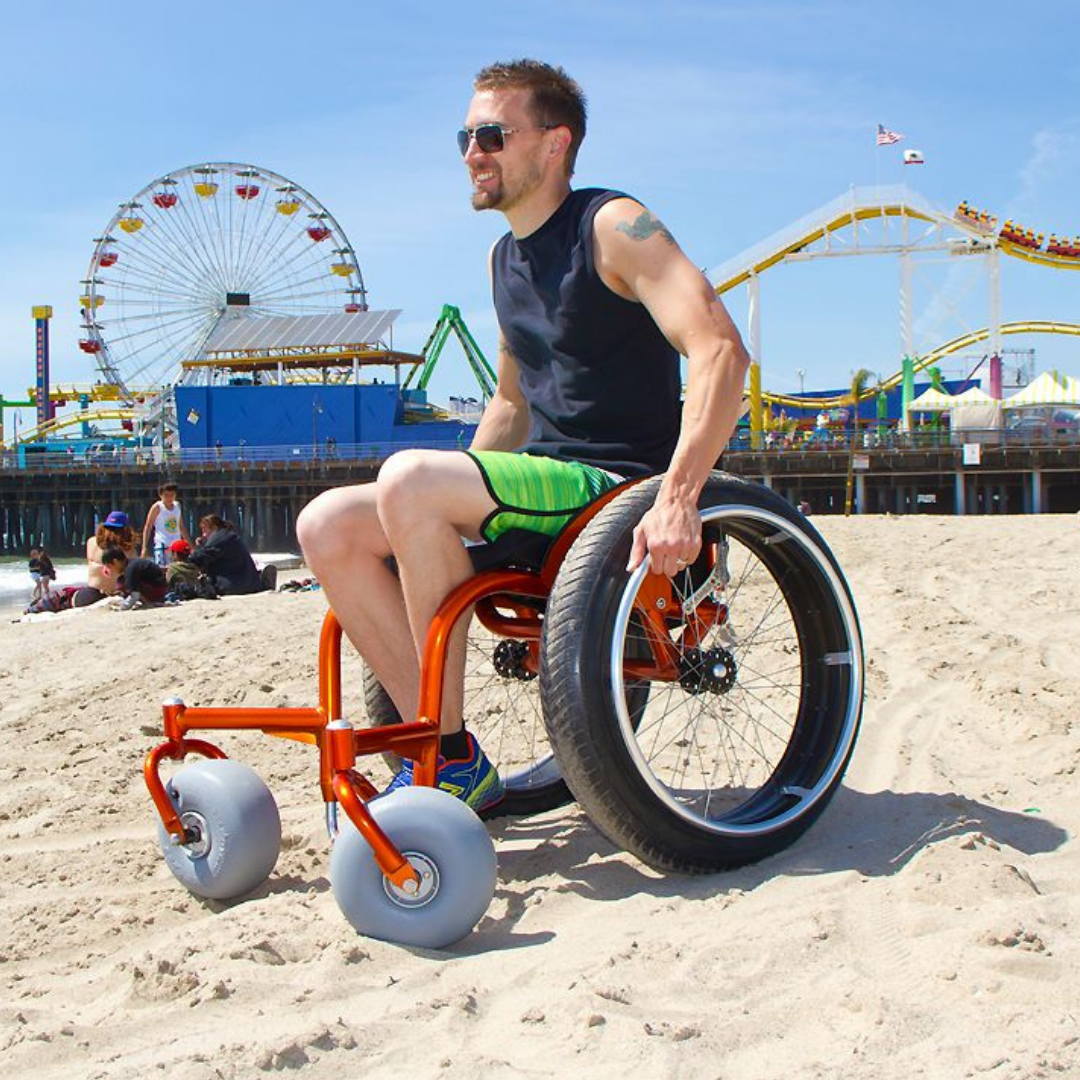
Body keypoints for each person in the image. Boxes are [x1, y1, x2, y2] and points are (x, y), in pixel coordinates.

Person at [296, 58, 750, 813]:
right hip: (541, 483)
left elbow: (720, 350)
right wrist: (431, 511)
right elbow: (510, 404)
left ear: (553, 144)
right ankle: (449, 750)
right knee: (329, 524)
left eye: (491, 135)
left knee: (410, 477)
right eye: (465, 137)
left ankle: (437, 760)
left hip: (616, 486)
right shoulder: (503, 258)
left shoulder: (612, 226)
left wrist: (679, 497)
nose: (472, 153)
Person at [74, 510, 139, 607]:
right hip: (115, 594)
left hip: (90, 594)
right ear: (125, 530)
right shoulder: (129, 551)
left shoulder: (91, 542)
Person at [188, 515, 264, 595]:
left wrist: (187, 557)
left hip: (234, 585)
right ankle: (261, 577)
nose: (203, 535)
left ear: (214, 527)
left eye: (205, 530)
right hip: (250, 582)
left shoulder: (220, 537)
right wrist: (202, 546)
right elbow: (211, 553)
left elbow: (201, 557)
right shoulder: (227, 535)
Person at [141, 482, 191, 565]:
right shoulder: (157, 507)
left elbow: (181, 526)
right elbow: (148, 526)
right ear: (161, 495)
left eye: (172, 495)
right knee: (162, 570)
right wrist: (144, 547)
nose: (169, 498)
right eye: (166, 495)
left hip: (176, 545)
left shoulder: (177, 505)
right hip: (162, 543)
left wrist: (189, 544)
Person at [100, 547, 169, 605]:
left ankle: (150, 602)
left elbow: (134, 595)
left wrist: (123, 607)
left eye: (109, 566)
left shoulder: (130, 569)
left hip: (157, 591)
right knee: (121, 582)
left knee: (122, 583)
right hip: (158, 587)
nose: (110, 569)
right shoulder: (131, 564)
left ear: (115, 562)